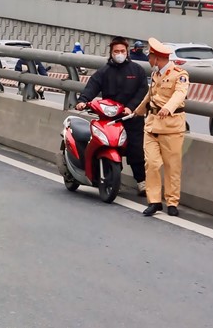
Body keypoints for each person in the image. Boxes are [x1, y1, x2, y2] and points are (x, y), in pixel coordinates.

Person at [75, 37, 148, 195]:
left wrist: (130, 107)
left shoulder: (137, 71)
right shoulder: (104, 72)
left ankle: (141, 181)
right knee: (107, 144)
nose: (119, 54)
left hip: (131, 117)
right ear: (111, 53)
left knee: (136, 150)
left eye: (122, 51)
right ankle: (111, 176)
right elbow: (92, 87)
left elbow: (143, 90)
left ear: (127, 52)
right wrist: (83, 100)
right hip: (110, 119)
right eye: (116, 51)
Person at [129, 37, 189, 217]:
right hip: (152, 124)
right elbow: (150, 97)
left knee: (172, 166)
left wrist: (168, 108)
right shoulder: (155, 75)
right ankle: (154, 201)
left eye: (150, 56)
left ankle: (172, 201)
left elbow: (180, 94)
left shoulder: (179, 74)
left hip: (171, 125)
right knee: (152, 164)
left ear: (156, 58)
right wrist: (136, 112)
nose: (148, 59)